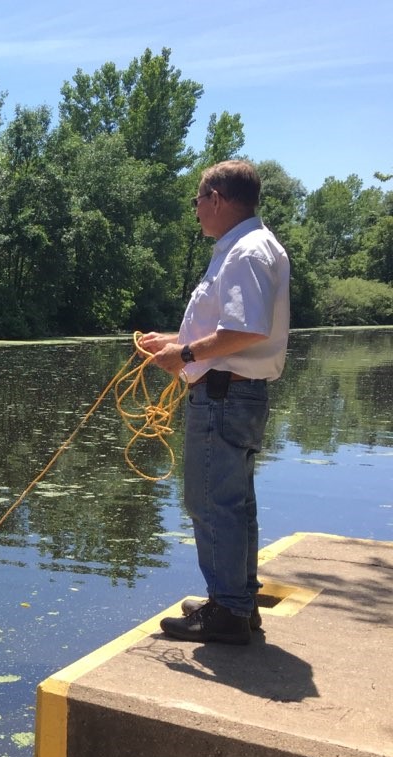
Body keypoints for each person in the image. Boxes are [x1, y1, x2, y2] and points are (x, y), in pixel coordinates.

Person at [137, 160, 291, 645]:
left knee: (211, 503)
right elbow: (229, 327)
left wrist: (183, 353)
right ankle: (238, 604)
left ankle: (228, 611)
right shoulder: (251, 246)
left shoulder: (245, 251)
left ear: (218, 199)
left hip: (224, 394)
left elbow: (246, 330)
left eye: (198, 201)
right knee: (235, 504)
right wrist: (173, 340)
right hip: (235, 392)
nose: (197, 211)